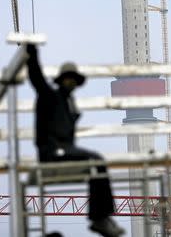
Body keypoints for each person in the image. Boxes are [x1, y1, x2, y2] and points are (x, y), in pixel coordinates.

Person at [26, 44, 125, 237]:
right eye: (68, 78)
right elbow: (37, 78)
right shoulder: (50, 97)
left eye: (73, 79)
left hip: (64, 151)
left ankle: (101, 217)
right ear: (62, 80)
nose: (70, 82)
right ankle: (100, 218)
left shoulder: (69, 105)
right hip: (53, 152)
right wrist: (32, 54)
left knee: (97, 163)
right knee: (96, 160)